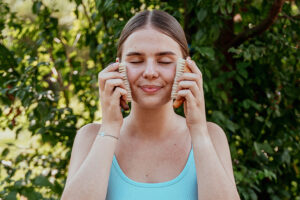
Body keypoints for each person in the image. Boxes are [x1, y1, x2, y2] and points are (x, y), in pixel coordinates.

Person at [61, 9, 240, 200]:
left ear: (186, 68)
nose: (150, 72)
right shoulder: (89, 139)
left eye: (164, 61)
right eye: (136, 61)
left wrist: (198, 129)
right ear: (117, 68)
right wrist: (110, 128)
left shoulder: (211, 137)